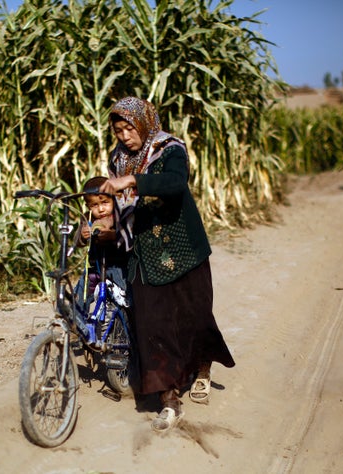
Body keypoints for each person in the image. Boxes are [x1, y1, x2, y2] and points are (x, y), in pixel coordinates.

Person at [99, 96, 235, 433]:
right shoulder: (119, 159)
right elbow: (116, 205)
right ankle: (169, 399)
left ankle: (202, 369)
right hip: (142, 253)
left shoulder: (169, 148)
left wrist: (133, 182)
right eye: (118, 131)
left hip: (182, 247)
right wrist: (101, 224)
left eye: (129, 128)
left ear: (144, 123)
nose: (124, 136)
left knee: (194, 316)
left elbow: (175, 184)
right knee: (152, 325)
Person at [73, 176, 129, 339]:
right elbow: (78, 242)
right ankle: (78, 326)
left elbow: (122, 235)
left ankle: (127, 329)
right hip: (94, 268)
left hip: (116, 267)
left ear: (114, 199)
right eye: (94, 205)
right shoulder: (87, 218)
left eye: (105, 202)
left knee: (125, 300)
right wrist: (83, 236)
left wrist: (111, 234)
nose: (101, 209)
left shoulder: (118, 216)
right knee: (80, 296)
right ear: (88, 206)